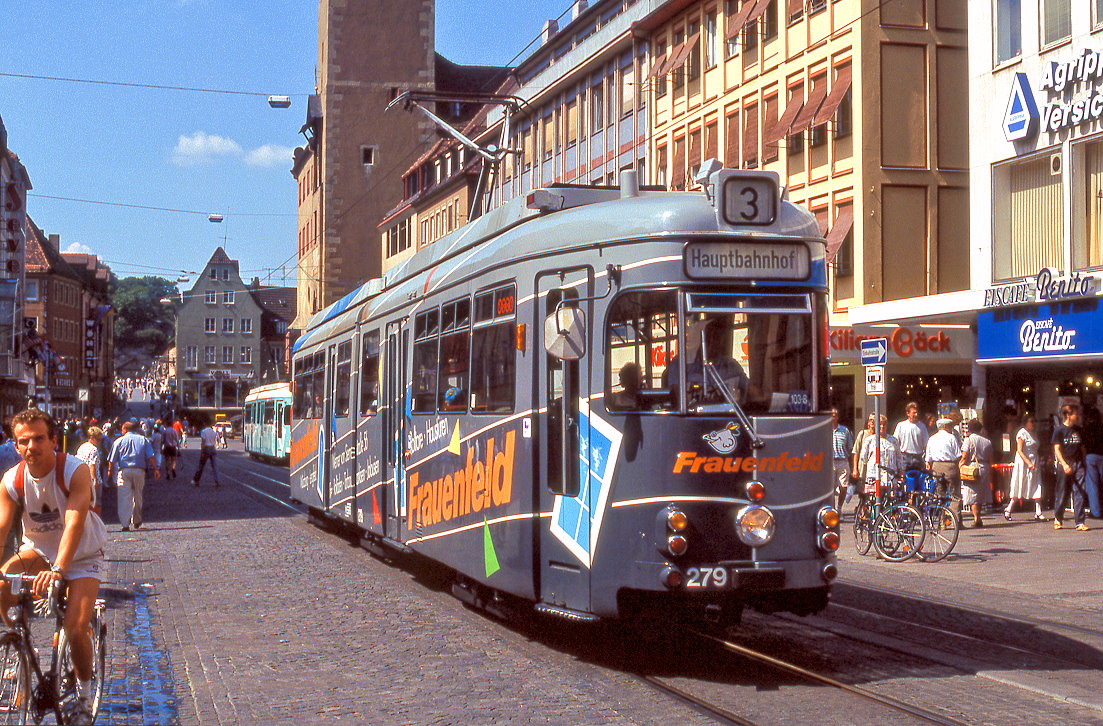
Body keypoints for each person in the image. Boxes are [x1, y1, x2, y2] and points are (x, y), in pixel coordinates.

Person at [0, 409, 107, 725]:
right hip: (37, 550)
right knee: (2, 586)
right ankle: (15, 641)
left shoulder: (75, 472)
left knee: (75, 626)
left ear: (53, 441)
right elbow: (2, 527)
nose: (31, 446)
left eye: (38, 438)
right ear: (16, 446)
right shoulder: (12, 479)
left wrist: (59, 569)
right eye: (23, 441)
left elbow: (73, 523)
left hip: (83, 555)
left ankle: (84, 698)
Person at [663, 316, 748, 405]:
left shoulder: (731, 366)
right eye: (708, 337)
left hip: (728, 416)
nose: (713, 342)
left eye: (717, 337)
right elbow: (678, 400)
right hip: (693, 417)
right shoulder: (680, 364)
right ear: (699, 339)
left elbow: (749, 392)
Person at [107, 420, 160, 531]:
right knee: (138, 495)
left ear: (125, 430)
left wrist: (110, 472)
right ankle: (136, 519)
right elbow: (151, 456)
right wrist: (156, 469)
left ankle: (125, 523)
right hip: (139, 470)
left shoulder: (118, 441)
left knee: (124, 497)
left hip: (124, 471)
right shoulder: (143, 440)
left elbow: (112, 459)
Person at [1052, 404, 1089, 531]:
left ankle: (1079, 522)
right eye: (1075, 414)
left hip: (1078, 463)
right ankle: (1058, 518)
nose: (1078, 416)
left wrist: (1084, 463)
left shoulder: (1079, 429)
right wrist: (1064, 464)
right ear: (1068, 415)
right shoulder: (1059, 430)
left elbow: (1082, 447)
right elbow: (1057, 449)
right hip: (1065, 463)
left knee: (1079, 492)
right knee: (1063, 492)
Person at [1004, 414, 1045, 521]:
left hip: (1034, 461)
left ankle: (1038, 511)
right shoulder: (1021, 433)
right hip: (1023, 463)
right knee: (1020, 484)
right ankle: (1009, 509)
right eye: (1031, 421)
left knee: (1037, 484)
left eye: (1034, 421)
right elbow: (1019, 451)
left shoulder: (1034, 433)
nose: (1033, 424)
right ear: (1026, 422)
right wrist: (1028, 463)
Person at [925, 418, 963, 517]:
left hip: (936, 466)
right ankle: (956, 520)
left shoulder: (932, 438)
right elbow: (958, 454)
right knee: (955, 495)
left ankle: (942, 521)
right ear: (946, 427)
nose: (951, 428)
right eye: (950, 426)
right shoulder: (951, 437)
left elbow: (928, 457)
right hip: (950, 466)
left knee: (940, 495)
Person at [960, 419, 993, 528]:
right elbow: (990, 458)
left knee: (973, 492)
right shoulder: (987, 441)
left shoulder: (968, 440)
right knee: (980, 492)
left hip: (972, 468)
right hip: (984, 467)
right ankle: (978, 516)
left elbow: (965, 456)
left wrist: (960, 465)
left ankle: (976, 518)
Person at [859, 415, 900, 497]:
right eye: (880, 424)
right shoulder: (870, 440)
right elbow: (864, 458)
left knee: (890, 500)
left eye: (884, 424)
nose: (882, 426)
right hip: (875, 475)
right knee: (874, 499)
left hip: (890, 475)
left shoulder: (893, 440)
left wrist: (900, 470)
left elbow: (899, 457)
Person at [892, 402, 929, 474]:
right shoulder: (901, 425)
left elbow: (926, 444)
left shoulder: (922, 426)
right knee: (904, 479)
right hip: (904, 457)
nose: (916, 415)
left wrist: (926, 459)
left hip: (918, 457)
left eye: (917, 412)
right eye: (914, 413)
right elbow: (895, 441)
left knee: (918, 479)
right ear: (908, 413)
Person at [76, 427, 104, 513]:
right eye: (98, 439)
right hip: (92, 480)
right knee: (96, 503)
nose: (99, 442)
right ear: (91, 437)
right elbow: (92, 465)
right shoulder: (94, 449)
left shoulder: (82, 447)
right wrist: (95, 479)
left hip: (82, 478)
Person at [1082, 407, 1103, 519]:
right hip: (1102, 455)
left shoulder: (1086, 428)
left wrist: (1084, 457)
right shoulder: (1101, 427)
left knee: (1093, 485)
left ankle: (1096, 511)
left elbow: (1083, 445)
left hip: (1090, 456)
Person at [831, 408, 854, 511]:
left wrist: (853, 466)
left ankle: (839, 508)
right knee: (830, 490)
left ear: (838, 417)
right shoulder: (824, 430)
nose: (833, 417)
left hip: (843, 461)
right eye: (831, 415)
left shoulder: (845, 431)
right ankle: (831, 510)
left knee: (843, 487)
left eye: (835, 415)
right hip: (829, 463)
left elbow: (850, 449)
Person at [850, 413, 876, 503]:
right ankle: (862, 511)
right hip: (863, 468)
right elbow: (856, 452)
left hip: (874, 468)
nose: (872, 422)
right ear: (868, 422)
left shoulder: (880, 435)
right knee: (863, 493)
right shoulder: (862, 434)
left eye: (875, 420)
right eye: (870, 420)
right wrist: (855, 469)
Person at [192, 419, 221, 487]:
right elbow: (215, 440)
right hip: (213, 448)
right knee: (215, 466)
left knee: (201, 465)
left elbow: (203, 442)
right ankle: (217, 481)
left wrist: (202, 451)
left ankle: (197, 481)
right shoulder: (213, 432)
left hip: (206, 448)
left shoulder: (203, 431)